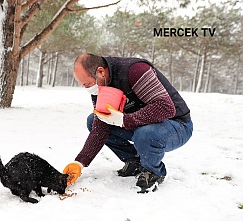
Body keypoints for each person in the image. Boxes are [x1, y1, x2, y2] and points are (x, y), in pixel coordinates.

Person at [63, 53, 193, 193]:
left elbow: (165, 108)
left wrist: (125, 120)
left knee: (145, 134)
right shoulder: (101, 83)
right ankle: (134, 161)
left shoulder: (135, 70)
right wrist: (80, 162)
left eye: (87, 84)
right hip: (141, 124)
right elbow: (100, 127)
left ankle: (153, 172)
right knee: (92, 120)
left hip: (176, 124)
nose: (87, 89)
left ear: (100, 71)